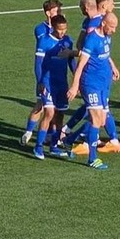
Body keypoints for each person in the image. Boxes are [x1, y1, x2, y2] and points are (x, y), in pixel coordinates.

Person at [67, 12, 120, 170]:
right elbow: (81, 64)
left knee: (102, 119)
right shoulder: (91, 39)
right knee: (96, 120)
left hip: (104, 83)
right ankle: (92, 158)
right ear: (103, 23)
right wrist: (75, 85)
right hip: (91, 83)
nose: (114, 30)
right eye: (112, 27)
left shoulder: (107, 36)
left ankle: (69, 140)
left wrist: (113, 66)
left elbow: (105, 55)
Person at [32, 13, 77, 159]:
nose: (62, 32)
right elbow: (38, 64)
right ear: (53, 28)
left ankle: (54, 146)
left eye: (64, 29)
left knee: (60, 115)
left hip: (61, 84)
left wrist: (77, 78)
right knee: (49, 113)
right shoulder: (44, 41)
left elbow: (71, 62)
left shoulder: (68, 41)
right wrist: (40, 82)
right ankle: (38, 147)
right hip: (48, 83)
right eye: (59, 29)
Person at [21, 0, 64, 146]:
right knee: (41, 105)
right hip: (45, 75)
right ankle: (29, 132)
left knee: (52, 108)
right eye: (56, 11)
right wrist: (40, 80)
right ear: (48, 13)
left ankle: (50, 136)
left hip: (56, 75)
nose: (59, 13)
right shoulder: (40, 29)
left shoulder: (60, 27)